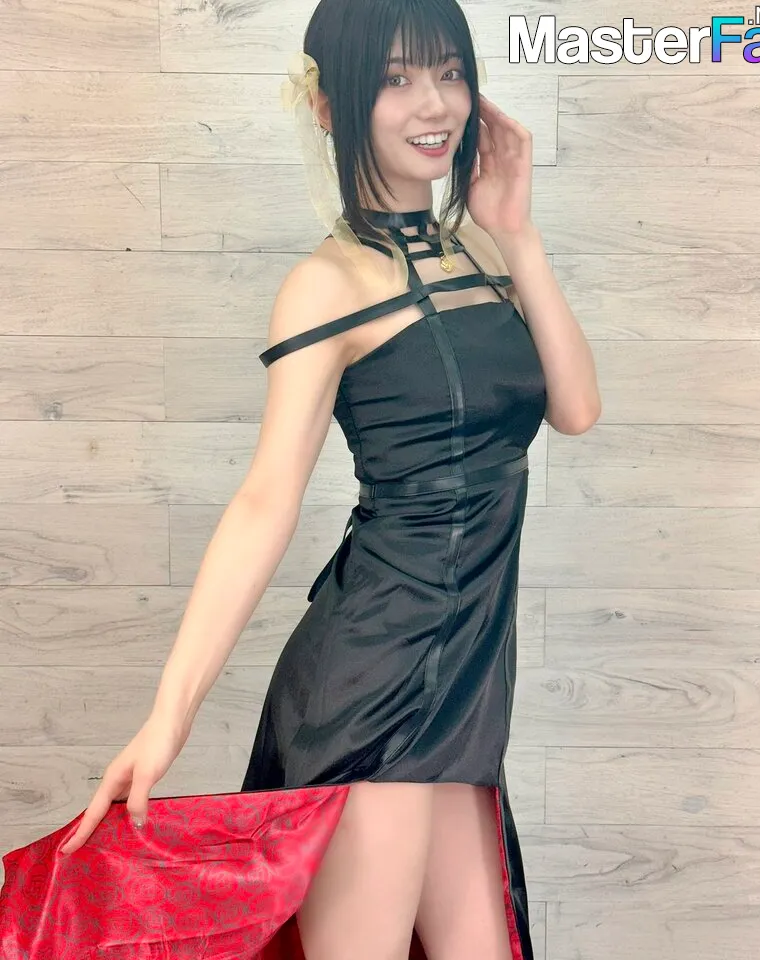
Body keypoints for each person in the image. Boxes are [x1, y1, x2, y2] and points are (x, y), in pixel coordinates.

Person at [1, 0, 600, 957]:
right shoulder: (328, 284)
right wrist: (168, 719)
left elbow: (574, 408)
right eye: (397, 79)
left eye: (449, 71)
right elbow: (264, 502)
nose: (434, 103)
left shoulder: (482, 250)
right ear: (329, 105)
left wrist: (519, 233)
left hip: (464, 687)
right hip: (377, 687)